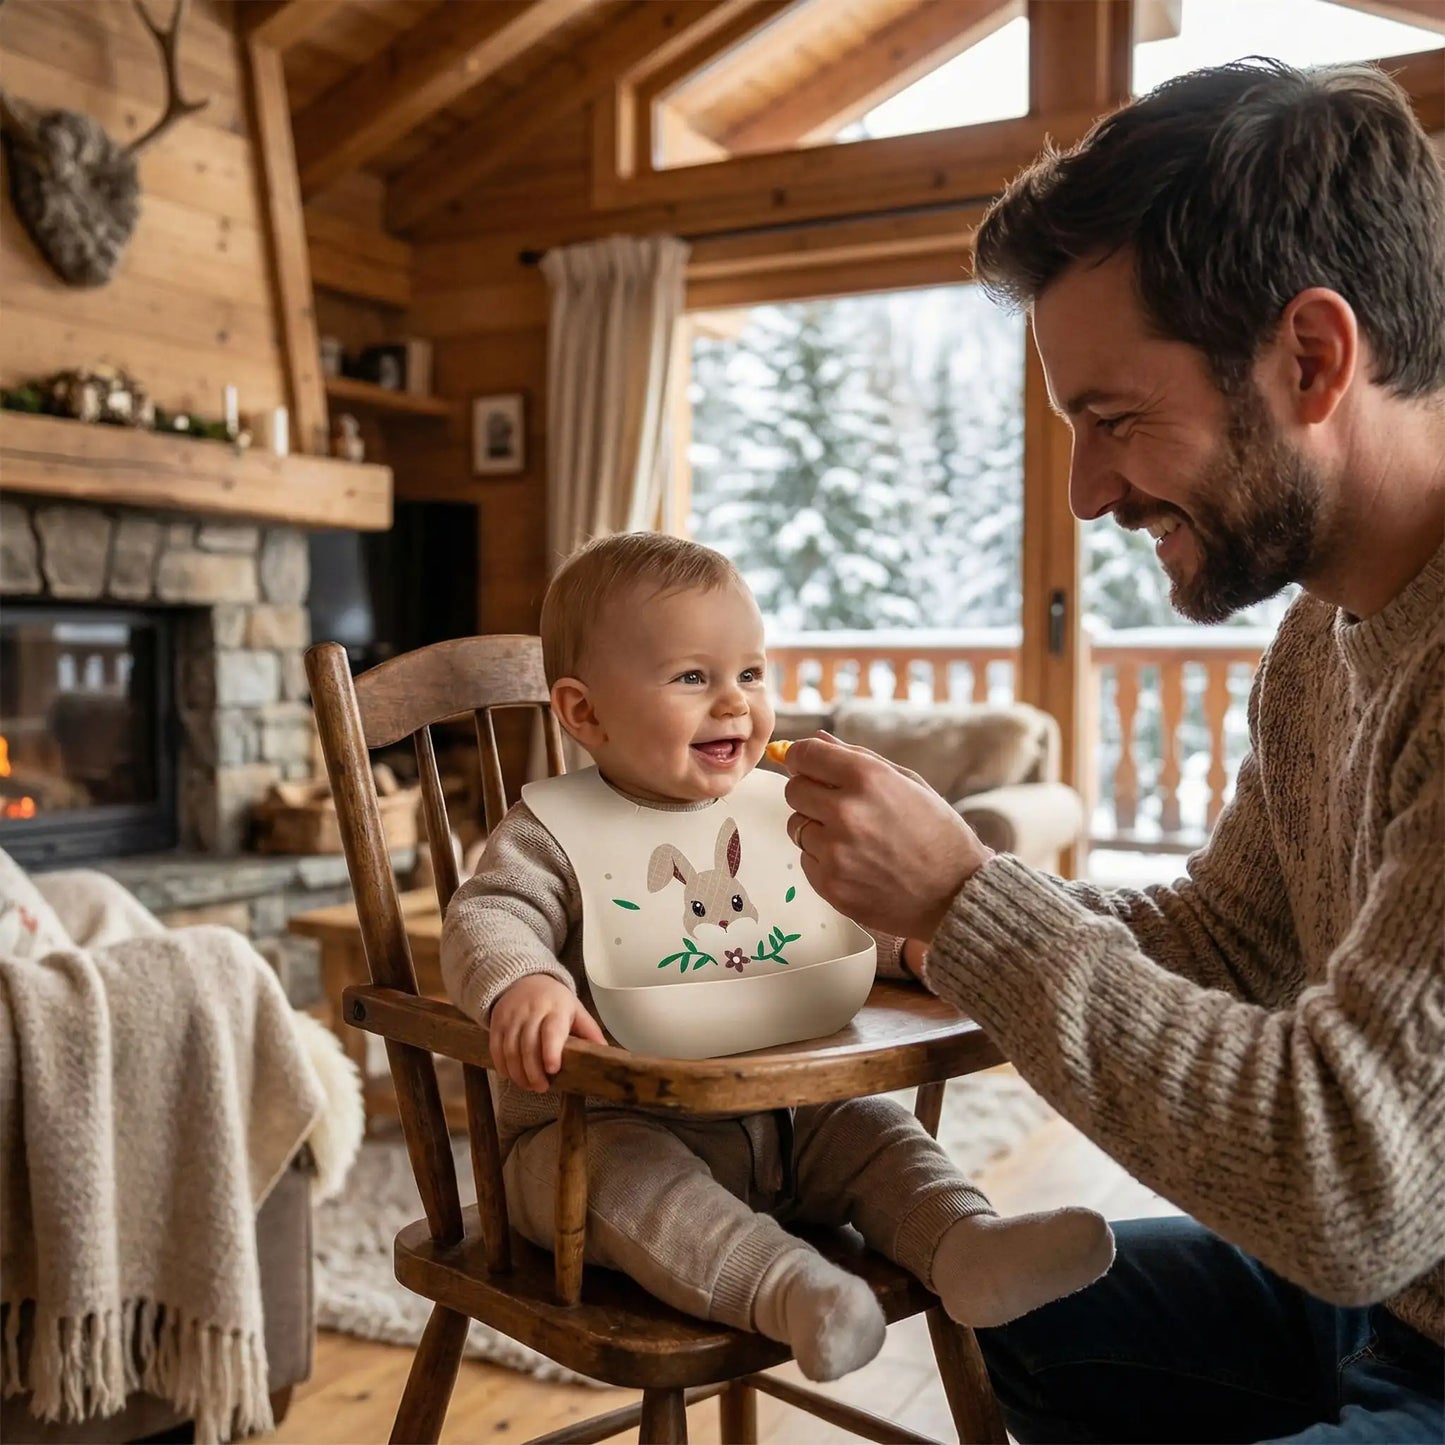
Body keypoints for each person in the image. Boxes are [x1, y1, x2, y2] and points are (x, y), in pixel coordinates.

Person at [781, 58, 1444, 1442]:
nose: (1087, 494)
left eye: (1114, 418)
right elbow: (1229, 937)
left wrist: (968, 897)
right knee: (1020, 1323)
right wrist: (930, 916)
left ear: (1311, 359)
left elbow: (1352, 1183)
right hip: (1398, 1309)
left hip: (1394, 1272)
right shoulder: (1316, 640)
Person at [441, 531, 1114, 1384]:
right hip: (593, 1132)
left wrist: (911, 944)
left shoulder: (772, 812)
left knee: (872, 1130)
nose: (734, 701)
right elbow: (487, 914)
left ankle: (965, 1242)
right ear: (584, 713)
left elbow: (826, 915)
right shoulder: (546, 831)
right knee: (633, 1186)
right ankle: (793, 1290)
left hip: (782, 1116)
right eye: (693, 677)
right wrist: (525, 980)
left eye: (750, 673)